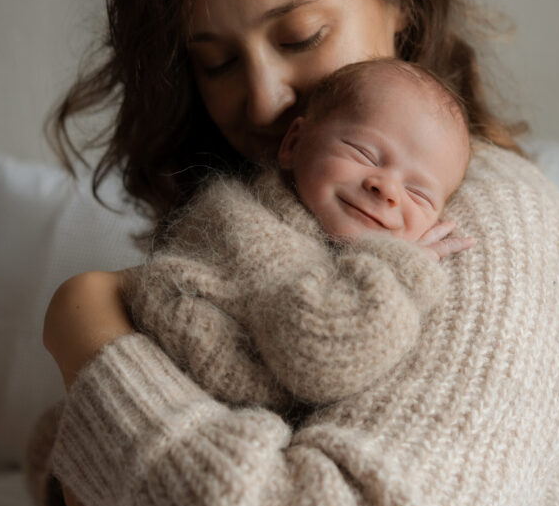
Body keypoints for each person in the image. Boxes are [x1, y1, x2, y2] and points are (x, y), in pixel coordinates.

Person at [31, 0, 559, 506]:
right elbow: (64, 459)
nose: (266, 99)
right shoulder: (265, 210)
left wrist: (91, 337)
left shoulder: (500, 229)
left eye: (300, 35)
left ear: (403, 4)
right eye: (216, 62)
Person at [118, 58, 475, 420]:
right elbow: (320, 354)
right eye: (365, 153)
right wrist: (401, 268)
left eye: (419, 193)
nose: (387, 189)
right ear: (293, 144)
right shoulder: (245, 224)